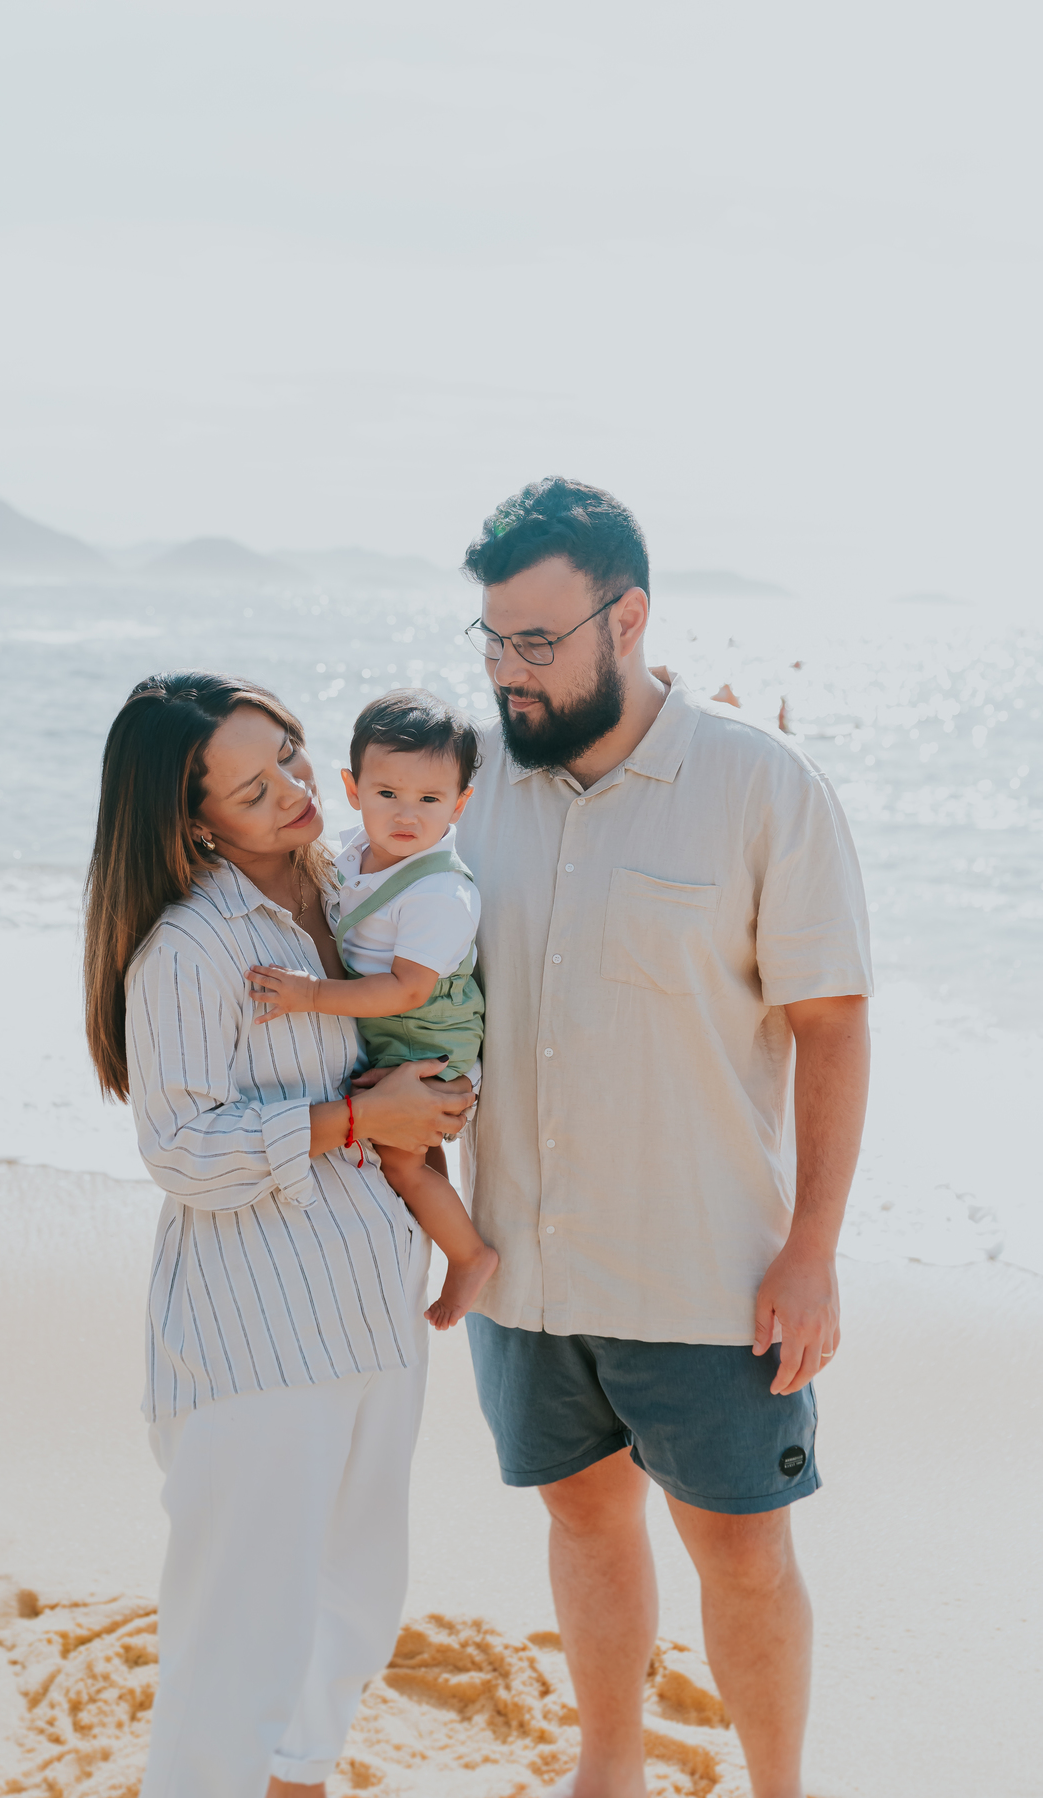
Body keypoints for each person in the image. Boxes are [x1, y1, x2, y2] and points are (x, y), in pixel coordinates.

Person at [454, 478, 873, 1798]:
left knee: (743, 1552)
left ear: (627, 617)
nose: (509, 673)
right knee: (582, 1516)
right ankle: (610, 1770)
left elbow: (833, 1024)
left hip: (711, 1269)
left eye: (537, 642)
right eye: (492, 642)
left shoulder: (762, 784)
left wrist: (812, 1247)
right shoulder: (472, 791)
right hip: (523, 1263)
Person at [83, 672, 473, 1798]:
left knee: (352, 1603)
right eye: (257, 791)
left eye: (294, 758)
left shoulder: (356, 884)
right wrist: (360, 1115)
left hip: (371, 1304)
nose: (298, 794)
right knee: (234, 1655)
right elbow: (182, 1151)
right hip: (256, 1335)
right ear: (196, 821)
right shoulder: (192, 948)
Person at [247, 689, 499, 1330]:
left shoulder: (440, 891)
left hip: (424, 1032)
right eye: (388, 794)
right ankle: (433, 1231)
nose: (406, 815)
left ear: (460, 806)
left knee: (400, 1158)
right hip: (390, 1020)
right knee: (410, 1152)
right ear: (353, 789)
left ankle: (469, 1255)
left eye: (430, 800)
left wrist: (309, 996)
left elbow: (407, 990)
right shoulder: (356, 850)